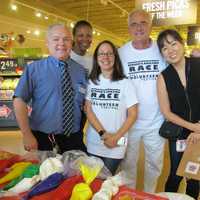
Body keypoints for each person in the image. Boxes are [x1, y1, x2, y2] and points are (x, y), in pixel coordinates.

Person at [13, 24, 87, 154]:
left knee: (75, 174)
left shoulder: (81, 71)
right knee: (45, 174)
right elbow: (19, 100)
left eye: (66, 39)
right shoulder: (34, 69)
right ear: (47, 43)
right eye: (56, 39)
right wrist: (26, 134)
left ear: (72, 43)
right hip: (43, 139)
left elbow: (86, 105)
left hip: (74, 139)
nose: (61, 43)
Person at [118, 9, 166, 192]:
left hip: (156, 121)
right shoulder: (121, 54)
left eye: (143, 22)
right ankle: (129, 195)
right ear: (129, 28)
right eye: (134, 24)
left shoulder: (161, 51)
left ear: (150, 25)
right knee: (128, 163)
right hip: (129, 122)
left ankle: (149, 194)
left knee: (154, 164)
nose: (139, 28)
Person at [157, 29, 200, 199]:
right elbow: (166, 112)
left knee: (195, 176)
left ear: (182, 44)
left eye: (173, 44)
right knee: (175, 174)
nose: (171, 50)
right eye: (165, 48)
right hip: (179, 134)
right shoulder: (163, 77)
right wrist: (192, 128)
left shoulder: (198, 65)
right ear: (162, 53)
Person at [85, 40, 138, 175]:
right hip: (94, 141)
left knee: (106, 181)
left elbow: (133, 114)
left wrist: (115, 137)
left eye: (109, 53)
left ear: (115, 57)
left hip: (117, 143)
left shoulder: (125, 83)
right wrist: (103, 133)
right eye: (101, 54)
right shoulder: (92, 82)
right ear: (96, 58)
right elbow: (88, 110)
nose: (105, 57)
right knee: (91, 181)